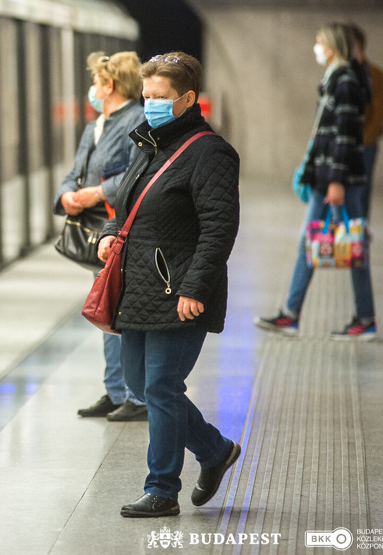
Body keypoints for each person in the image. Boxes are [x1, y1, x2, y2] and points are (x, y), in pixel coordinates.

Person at [96, 51, 242, 518]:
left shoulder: (210, 152)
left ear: (187, 99)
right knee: (141, 381)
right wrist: (106, 235)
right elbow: (125, 206)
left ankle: (161, 488)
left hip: (178, 290)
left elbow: (220, 226)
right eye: (146, 96)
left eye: (160, 97)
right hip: (138, 285)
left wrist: (195, 287)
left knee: (160, 384)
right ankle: (215, 450)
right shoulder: (148, 144)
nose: (151, 104)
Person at [255, 23, 376, 340]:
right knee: (310, 244)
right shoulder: (334, 80)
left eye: (319, 42)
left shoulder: (345, 82)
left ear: (332, 47)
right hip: (328, 179)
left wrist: (336, 180)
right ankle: (291, 315)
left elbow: (345, 138)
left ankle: (365, 319)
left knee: (353, 244)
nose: (316, 47)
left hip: (341, 181)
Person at [54, 51, 147, 422]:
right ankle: (115, 391)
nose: (92, 89)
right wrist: (66, 195)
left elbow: (139, 174)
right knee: (106, 310)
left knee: (118, 311)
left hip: (123, 231)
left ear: (108, 85)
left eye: (96, 82)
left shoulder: (136, 122)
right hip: (99, 235)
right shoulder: (95, 126)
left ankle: (135, 396)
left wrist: (97, 193)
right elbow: (74, 172)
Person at [348, 24, 383, 219]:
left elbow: (381, 112)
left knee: (361, 195)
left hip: (365, 145)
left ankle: (358, 240)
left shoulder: (374, 74)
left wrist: (363, 140)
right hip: (344, 145)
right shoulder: (343, 72)